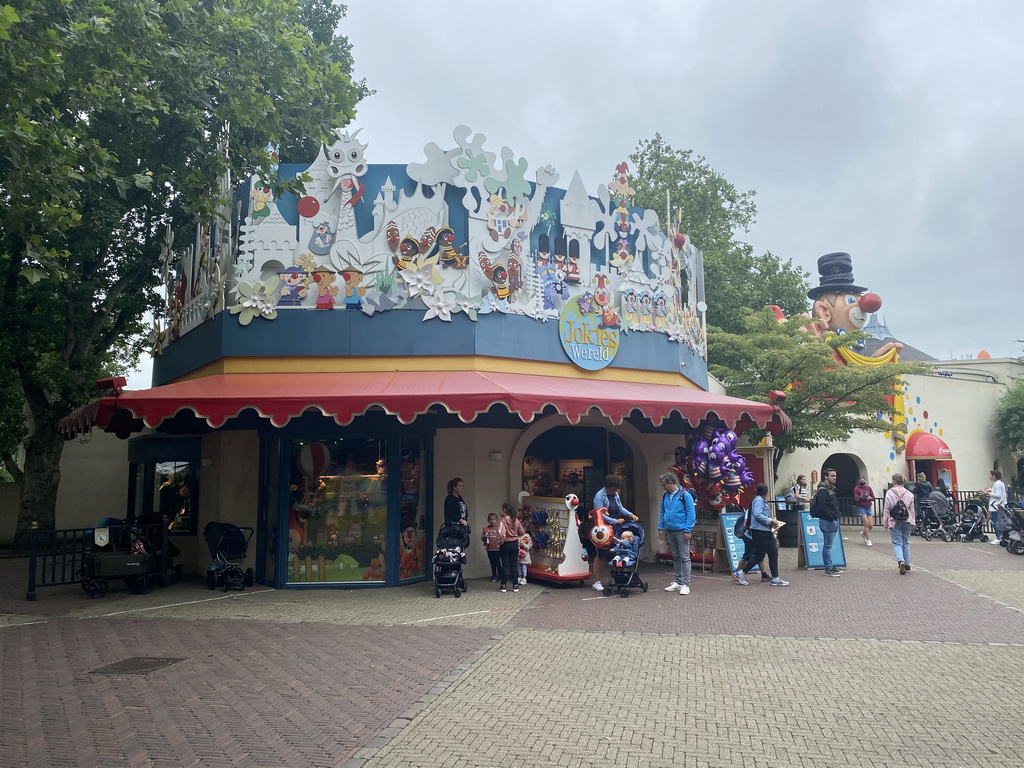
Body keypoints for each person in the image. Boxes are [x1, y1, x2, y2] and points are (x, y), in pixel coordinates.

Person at [732, 483, 789, 586]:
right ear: (766, 492)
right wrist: (770, 521)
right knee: (759, 555)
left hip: (765, 531)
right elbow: (757, 514)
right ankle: (742, 572)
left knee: (773, 553)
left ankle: (775, 577)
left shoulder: (759, 500)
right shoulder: (758, 500)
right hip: (760, 532)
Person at [590, 475, 637, 592]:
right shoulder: (599, 496)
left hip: (615, 527)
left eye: (616, 489)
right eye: (613, 489)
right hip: (603, 529)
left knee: (620, 551)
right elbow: (599, 514)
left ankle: (620, 579)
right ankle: (597, 581)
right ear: (608, 486)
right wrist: (614, 521)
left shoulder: (615, 495)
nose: (615, 491)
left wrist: (630, 514)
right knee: (601, 555)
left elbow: (620, 508)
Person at [657, 472, 695, 595]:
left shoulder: (685, 495)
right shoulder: (664, 495)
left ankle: (685, 583)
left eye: (664, 485)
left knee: (684, 557)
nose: (663, 487)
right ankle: (678, 581)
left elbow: (691, 513)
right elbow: (662, 511)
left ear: (671, 483)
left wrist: (688, 529)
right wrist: (660, 527)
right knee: (676, 556)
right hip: (670, 529)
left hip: (681, 530)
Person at [883, 473, 915, 574]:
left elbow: (887, 509)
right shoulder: (909, 494)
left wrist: (885, 523)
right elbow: (912, 509)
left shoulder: (889, 493)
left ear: (894, 481)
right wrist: (913, 522)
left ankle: (900, 560)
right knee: (906, 541)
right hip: (906, 519)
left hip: (894, 520)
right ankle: (908, 564)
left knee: (897, 542)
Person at [813, 468, 842, 577]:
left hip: (830, 520)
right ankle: (828, 568)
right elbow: (822, 506)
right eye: (832, 476)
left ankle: (829, 565)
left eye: (835, 476)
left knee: (828, 545)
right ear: (826, 477)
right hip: (828, 521)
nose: (834, 478)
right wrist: (831, 518)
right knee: (828, 546)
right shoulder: (824, 490)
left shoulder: (828, 488)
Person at [497, 503, 525, 593]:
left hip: (505, 544)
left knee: (505, 565)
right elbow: (522, 531)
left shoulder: (503, 521)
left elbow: (502, 534)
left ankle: (503, 586)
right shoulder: (516, 520)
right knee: (514, 565)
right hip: (514, 544)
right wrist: (515, 536)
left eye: (500, 509)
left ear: (504, 510)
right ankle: (515, 585)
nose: (499, 510)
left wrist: (500, 542)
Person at [986, 470, 1007, 544]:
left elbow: (998, 495)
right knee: (1000, 522)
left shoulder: (996, 484)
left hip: (995, 505)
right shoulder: (1001, 483)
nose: (989, 476)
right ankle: (1001, 537)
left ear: (994, 476)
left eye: (990, 475)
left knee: (995, 522)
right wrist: (991, 490)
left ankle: (998, 538)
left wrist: (988, 493)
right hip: (999, 505)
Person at [853, 477, 875, 546]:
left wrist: (870, 498)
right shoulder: (856, 489)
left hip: (868, 507)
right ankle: (868, 540)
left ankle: (863, 533)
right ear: (858, 482)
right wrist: (861, 497)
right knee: (866, 524)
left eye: (863, 481)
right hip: (861, 507)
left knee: (871, 525)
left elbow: (873, 497)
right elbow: (856, 500)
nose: (862, 482)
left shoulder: (868, 488)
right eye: (861, 481)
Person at [480, 512, 502, 582]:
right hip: (489, 549)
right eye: (491, 519)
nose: (492, 521)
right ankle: (494, 575)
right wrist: (484, 537)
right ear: (488, 520)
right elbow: (483, 538)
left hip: (497, 549)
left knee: (498, 563)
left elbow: (502, 536)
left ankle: (500, 576)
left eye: (494, 519)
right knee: (492, 563)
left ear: (496, 520)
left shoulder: (499, 528)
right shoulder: (486, 528)